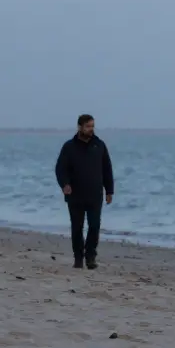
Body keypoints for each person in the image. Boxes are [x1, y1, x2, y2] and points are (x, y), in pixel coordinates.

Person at [55, 114, 114, 269]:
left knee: (94, 226)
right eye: (88, 126)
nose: (90, 129)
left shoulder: (99, 145)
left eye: (92, 126)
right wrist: (65, 184)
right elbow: (60, 168)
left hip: (95, 194)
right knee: (77, 227)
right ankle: (78, 257)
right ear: (80, 127)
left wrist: (109, 191)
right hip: (75, 195)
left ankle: (91, 257)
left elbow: (107, 169)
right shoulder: (69, 146)